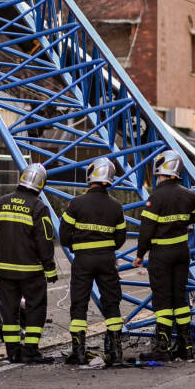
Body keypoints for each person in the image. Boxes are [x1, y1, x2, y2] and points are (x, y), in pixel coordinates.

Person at [133, 150, 195, 361]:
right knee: (180, 299)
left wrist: (140, 254)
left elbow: (146, 229)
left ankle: (162, 348)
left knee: (163, 300)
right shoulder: (187, 194)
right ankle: (186, 348)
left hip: (162, 255)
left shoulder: (156, 197)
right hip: (182, 253)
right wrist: (186, 220)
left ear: (161, 171)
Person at [0, 163, 58, 363]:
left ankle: (12, 351)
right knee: (35, 309)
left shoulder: (3, 201)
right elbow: (45, 240)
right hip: (31, 271)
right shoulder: (39, 207)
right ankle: (30, 350)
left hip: (6, 271)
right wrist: (49, 269)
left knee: (9, 312)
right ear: (41, 184)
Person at [59, 156, 126, 366]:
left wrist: (75, 246)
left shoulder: (77, 203)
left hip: (83, 261)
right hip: (107, 260)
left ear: (91, 175)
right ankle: (116, 352)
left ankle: (78, 352)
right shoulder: (116, 206)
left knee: (79, 304)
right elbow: (120, 238)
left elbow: (63, 233)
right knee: (112, 303)